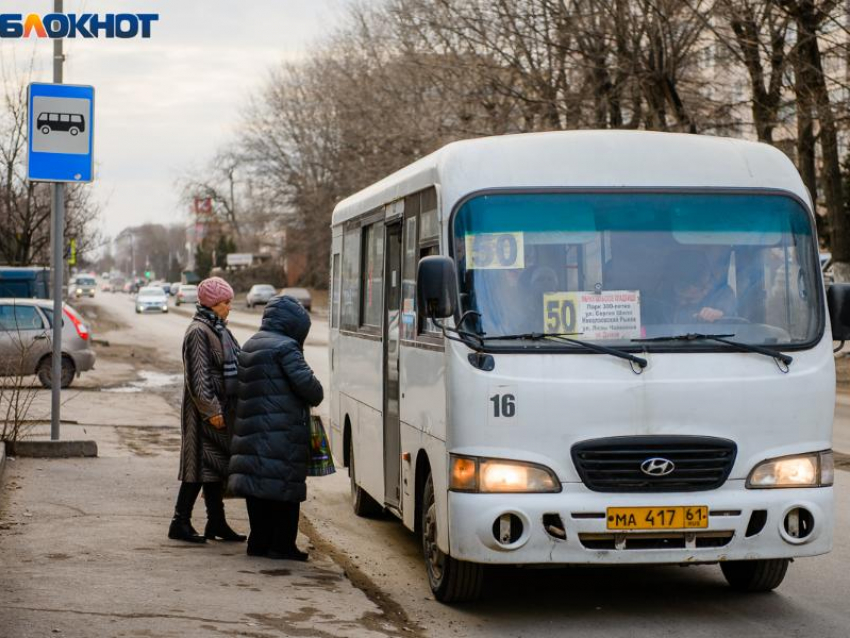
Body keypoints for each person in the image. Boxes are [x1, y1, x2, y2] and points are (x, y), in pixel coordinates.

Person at [228, 295, 324, 561]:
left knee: (257, 487)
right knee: (285, 490)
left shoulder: (250, 344)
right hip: (280, 432)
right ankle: (282, 545)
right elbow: (311, 390)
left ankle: (258, 542)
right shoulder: (286, 348)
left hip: (251, 430)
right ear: (294, 325)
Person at [168, 276, 246, 544]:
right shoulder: (198, 332)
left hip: (220, 410)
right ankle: (180, 521)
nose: (230, 307)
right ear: (214, 304)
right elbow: (197, 378)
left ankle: (217, 521)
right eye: (226, 302)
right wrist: (212, 410)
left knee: (215, 468)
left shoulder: (219, 329)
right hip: (203, 415)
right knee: (197, 468)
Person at [649, 251, 736, 324]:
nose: (706, 290)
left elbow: (729, 311)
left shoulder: (722, 293)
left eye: (710, 279)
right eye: (700, 286)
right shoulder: (662, 301)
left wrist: (720, 314)